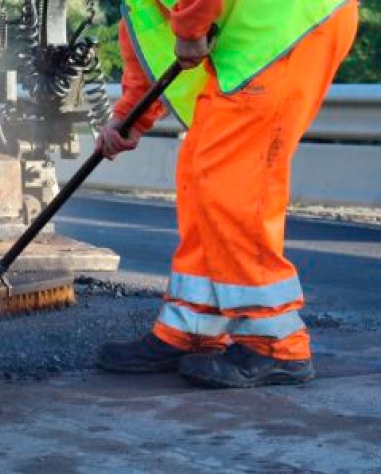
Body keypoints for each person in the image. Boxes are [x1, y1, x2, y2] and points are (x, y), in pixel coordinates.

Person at [95, 0, 358, 388]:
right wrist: (132, 113)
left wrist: (190, 29)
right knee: (201, 175)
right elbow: (146, 28)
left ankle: (276, 343)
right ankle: (192, 327)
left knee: (234, 181)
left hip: (285, 23)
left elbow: (184, 22)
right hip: (255, 34)